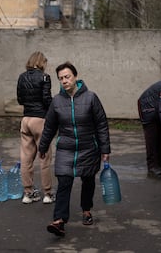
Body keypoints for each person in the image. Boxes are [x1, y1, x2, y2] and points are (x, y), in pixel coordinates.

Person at [39, 61, 111, 237]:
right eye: (61, 78)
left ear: (76, 77)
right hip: (66, 148)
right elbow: (49, 127)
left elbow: (101, 124)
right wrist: (43, 146)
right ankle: (59, 221)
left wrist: (105, 149)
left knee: (88, 180)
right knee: (64, 182)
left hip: (88, 148)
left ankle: (86, 210)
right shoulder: (57, 101)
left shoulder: (91, 98)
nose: (64, 81)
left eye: (67, 76)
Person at [17, 51, 54, 204]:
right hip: (40, 120)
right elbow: (46, 99)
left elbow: (20, 100)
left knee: (26, 158)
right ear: (41, 62)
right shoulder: (45, 77)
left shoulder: (21, 77)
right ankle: (47, 194)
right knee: (44, 157)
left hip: (25, 119)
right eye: (45, 62)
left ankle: (28, 193)